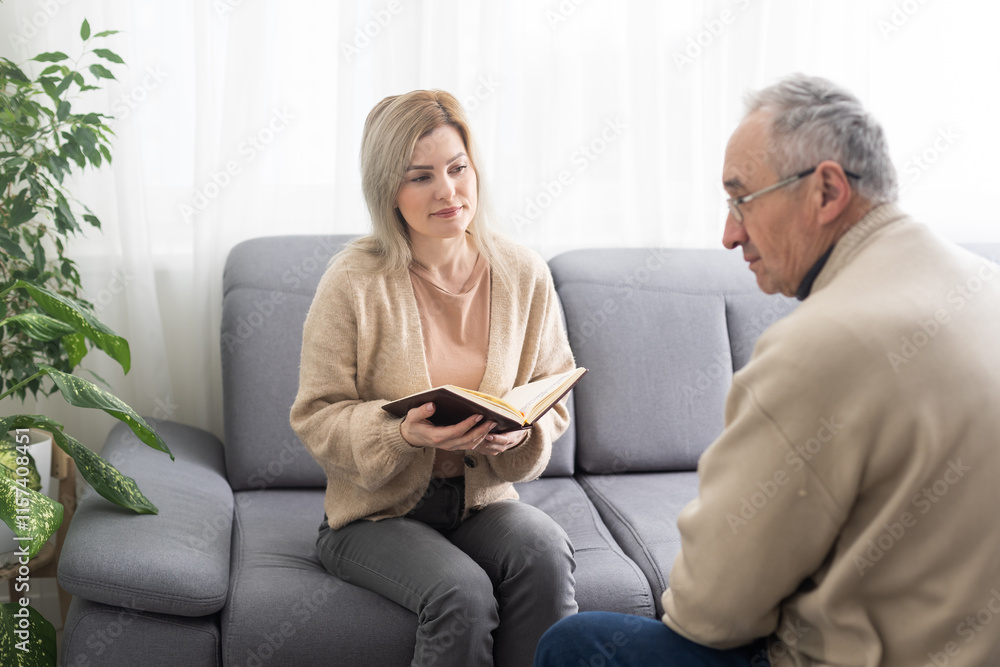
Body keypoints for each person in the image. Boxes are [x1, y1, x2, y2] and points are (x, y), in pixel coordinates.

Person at [535, 74, 1000, 666]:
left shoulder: (819, 346)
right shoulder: (985, 284)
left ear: (826, 191)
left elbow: (710, 614)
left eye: (741, 199)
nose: (730, 235)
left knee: (575, 644)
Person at [290, 89, 578, 667]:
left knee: (545, 551)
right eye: (420, 177)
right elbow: (316, 415)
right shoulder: (352, 281)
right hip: (374, 516)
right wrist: (400, 434)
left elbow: (553, 393)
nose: (447, 191)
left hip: (481, 504)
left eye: (457, 168)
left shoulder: (523, 272)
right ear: (387, 191)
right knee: (461, 593)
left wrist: (520, 432)